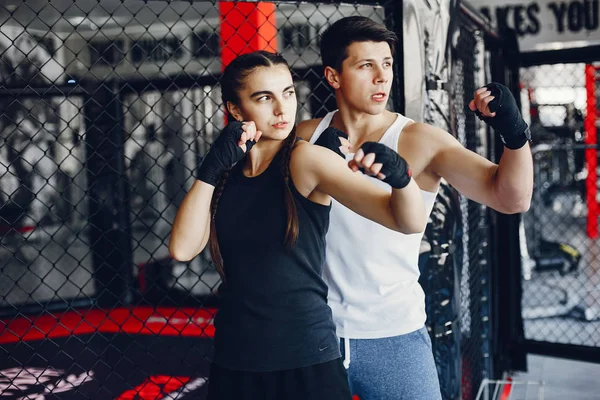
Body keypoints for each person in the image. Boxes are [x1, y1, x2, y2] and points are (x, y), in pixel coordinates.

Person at [297, 16, 533, 400]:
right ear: (333, 76)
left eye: (387, 63)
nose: (381, 77)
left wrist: (514, 134)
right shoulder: (305, 138)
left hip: (392, 336)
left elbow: (511, 198)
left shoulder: (420, 141)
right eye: (366, 65)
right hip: (313, 333)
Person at [168, 50, 427, 400]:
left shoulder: (305, 159)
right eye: (264, 98)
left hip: (304, 357)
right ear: (235, 109)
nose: (282, 109)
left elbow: (406, 220)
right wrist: (211, 170)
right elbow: (183, 249)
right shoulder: (227, 171)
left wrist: (401, 178)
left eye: (288, 93)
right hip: (235, 357)